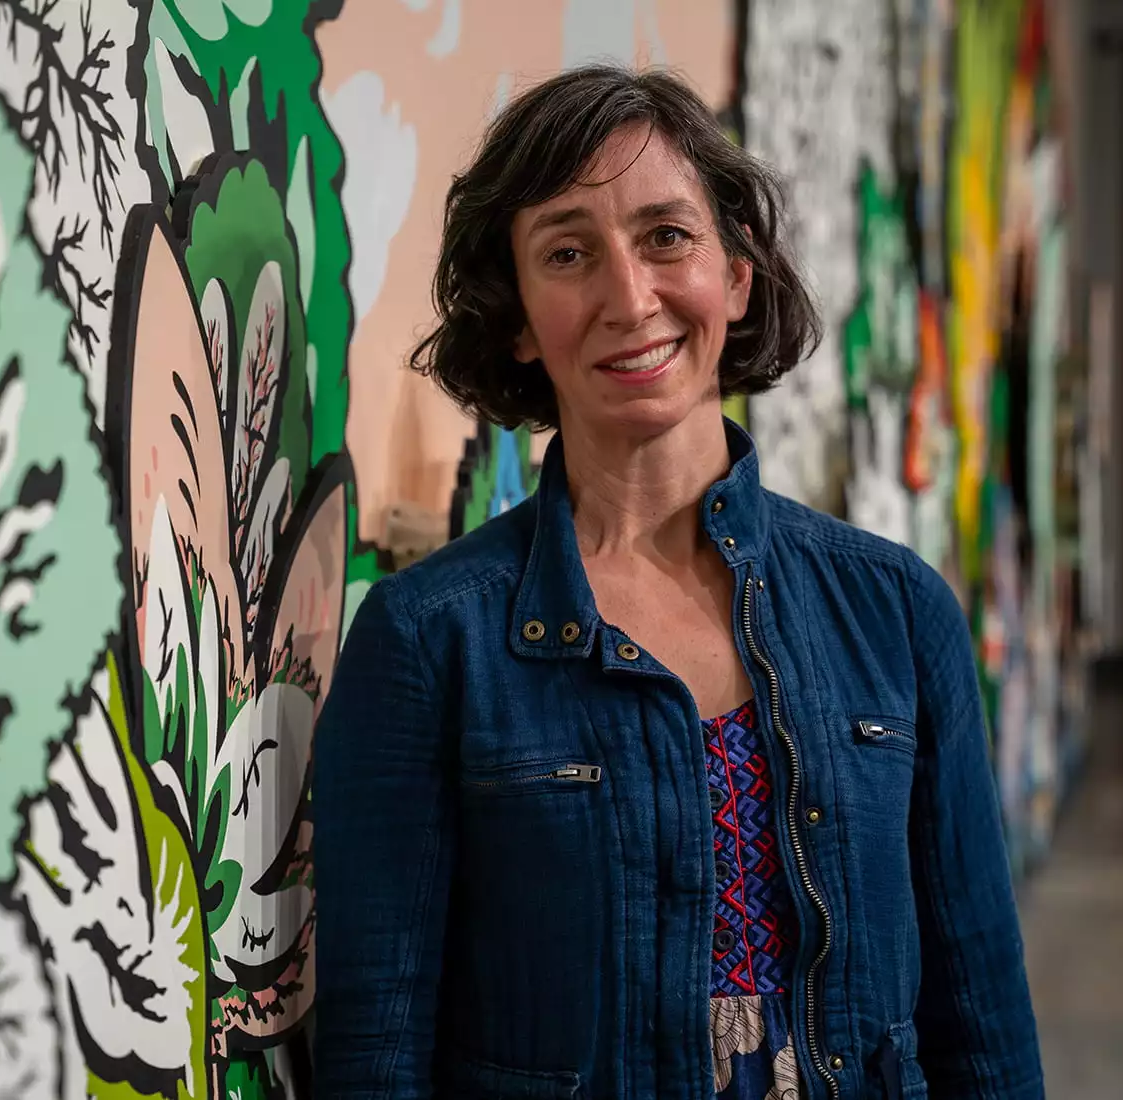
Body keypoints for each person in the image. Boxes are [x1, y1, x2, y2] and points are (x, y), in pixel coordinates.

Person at [311, 64, 1043, 1100]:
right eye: (568, 253)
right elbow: (377, 1050)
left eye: (667, 236)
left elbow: (982, 1026)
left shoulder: (897, 612)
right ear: (518, 316)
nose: (630, 294)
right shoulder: (429, 641)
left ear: (737, 276)